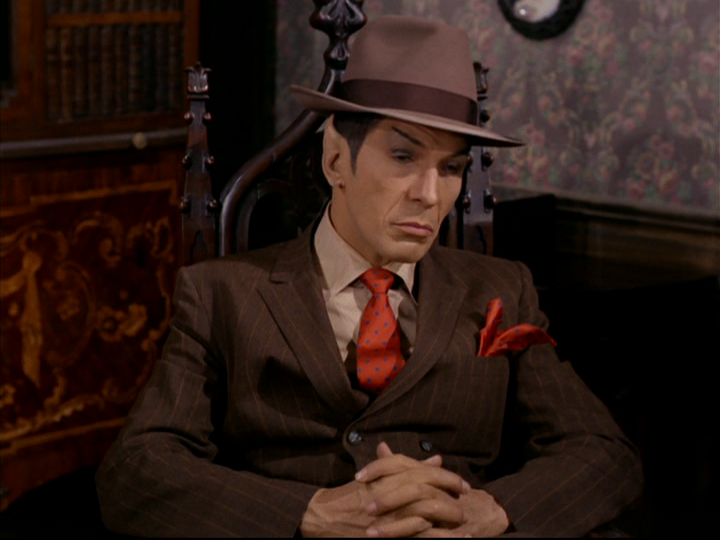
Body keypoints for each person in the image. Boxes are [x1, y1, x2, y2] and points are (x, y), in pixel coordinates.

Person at [96, 15, 642, 538]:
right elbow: (136, 471)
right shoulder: (222, 293)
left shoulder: (502, 290)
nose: (430, 195)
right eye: (403, 157)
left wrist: (494, 511)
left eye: (451, 168)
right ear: (336, 161)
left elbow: (602, 450)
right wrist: (307, 514)